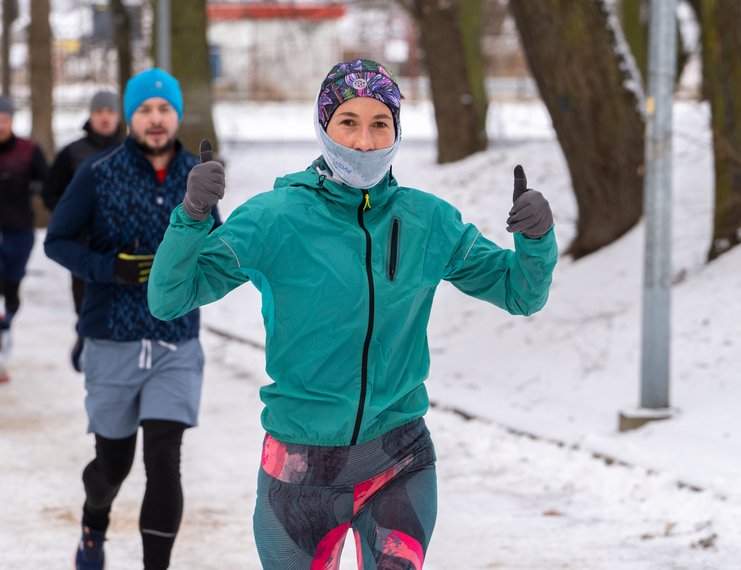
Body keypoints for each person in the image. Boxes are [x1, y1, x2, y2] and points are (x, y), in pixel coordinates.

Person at [148, 59, 558, 569]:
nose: (365, 141)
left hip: (398, 459)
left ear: (397, 131)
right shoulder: (275, 217)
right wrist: (190, 218)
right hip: (299, 472)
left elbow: (519, 292)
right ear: (324, 127)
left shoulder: (426, 221)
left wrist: (536, 241)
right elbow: (169, 298)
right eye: (348, 122)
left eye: (379, 124)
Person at [44, 68, 221, 570]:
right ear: (129, 117)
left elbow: (218, 250)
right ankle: (93, 518)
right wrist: (109, 268)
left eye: (165, 109)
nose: (156, 118)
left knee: (164, 460)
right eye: (145, 109)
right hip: (112, 338)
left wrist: (207, 213)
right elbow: (56, 241)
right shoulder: (97, 173)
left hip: (176, 341)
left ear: (178, 115)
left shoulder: (198, 173)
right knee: (112, 468)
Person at [42, 90, 124, 371]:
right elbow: (50, 192)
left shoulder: (131, 150)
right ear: (91, 115)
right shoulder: (72, 153)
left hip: (121, 244)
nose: (104, 117)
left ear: (118, 116)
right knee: (86, 298)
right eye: (99, 111)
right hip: (83, 246)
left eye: (110, 112)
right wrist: (72, 217)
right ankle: (86, 338)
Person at [0, 95, 48, 383]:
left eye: (4, 119)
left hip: (19, 232)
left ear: (12, 120)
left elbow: (48, 183)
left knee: (11, 291)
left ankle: (7, 324)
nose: (0, 125)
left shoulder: (29, 150)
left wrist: (29, 186)